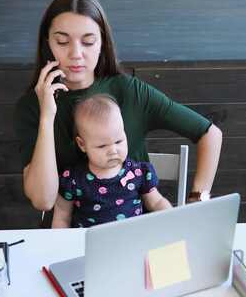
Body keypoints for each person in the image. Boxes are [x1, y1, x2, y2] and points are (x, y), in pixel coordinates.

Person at [13, 0, 222, 227]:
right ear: (48, 43)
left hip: (134, 234)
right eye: (62, 42)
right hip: (67, 238)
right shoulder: (30, 107)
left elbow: (210, 134)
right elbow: (43, 201)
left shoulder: (130, 92)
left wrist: (198, 199)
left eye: (88, 41)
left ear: (102, 43)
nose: (76, 54)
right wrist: (46, 116)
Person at [52, 94, 172, 228]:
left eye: (118, 141)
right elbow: (62, 216)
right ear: (82, 144)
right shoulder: (73, 180)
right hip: (92, 243)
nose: (113, 150)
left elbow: (156, 202)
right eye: (102, 146)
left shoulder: (138, 172)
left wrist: (173, 219)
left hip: (132, 239)